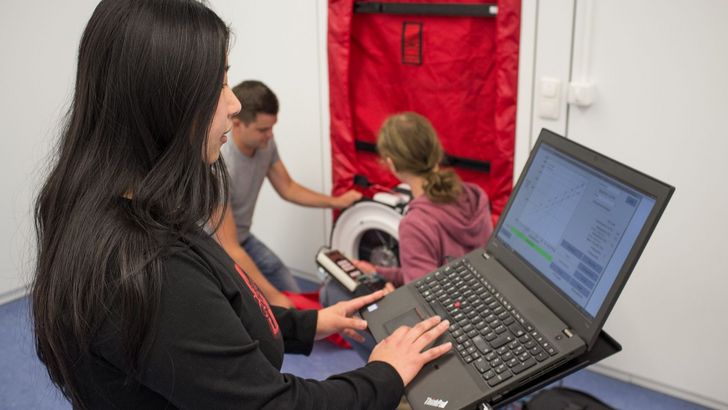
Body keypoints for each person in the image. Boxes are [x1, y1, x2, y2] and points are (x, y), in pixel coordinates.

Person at [30, 1, 451, 409]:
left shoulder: (133, 206)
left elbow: (214, 321)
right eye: (219, 84)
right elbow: (273, 402)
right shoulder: (150, 269)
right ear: (164, 101)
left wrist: (311, 324)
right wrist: (384, 373)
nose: (233, 104)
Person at [321, 111, 493, 358]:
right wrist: (379, 272)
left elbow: (424, 306)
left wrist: (394, 298)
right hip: (482, 316)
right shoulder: (475, 195)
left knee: (332, 291)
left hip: (446, 337)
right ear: (436, 150)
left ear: (391, 163)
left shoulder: (416, 223)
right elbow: (442, 271)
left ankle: (396, 378)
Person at [215, 80, 361, 308]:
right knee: (262, 306)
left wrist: (338, 202)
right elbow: (229, 247)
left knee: (290, 290)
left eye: (272, 127)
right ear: (237, 124)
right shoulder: (221, 165)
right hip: (215, 250)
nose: (270, 135)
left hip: (242, 239)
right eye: (263, 130)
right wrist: (275, 298)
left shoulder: (265, 145)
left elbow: (288, 188)